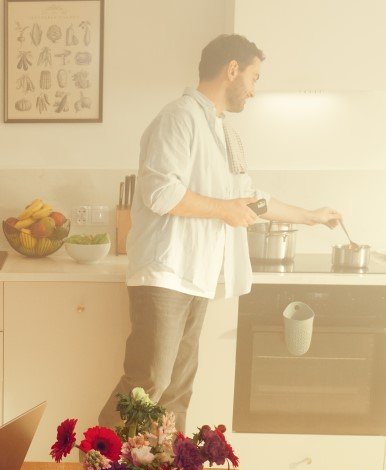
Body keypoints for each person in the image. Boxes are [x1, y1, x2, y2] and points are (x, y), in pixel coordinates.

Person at [99, 34, 342, 433]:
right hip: (165, 272)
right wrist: (224, 210)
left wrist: (309, 216)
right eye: (254, 77)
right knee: (149, 382)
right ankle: (93, 466)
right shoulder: (178, 118)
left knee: (177, 390)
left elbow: (248, 198)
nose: (254, 90)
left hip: (197, 274)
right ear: (232, 70)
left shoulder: (224, 133)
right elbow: (161, 192)